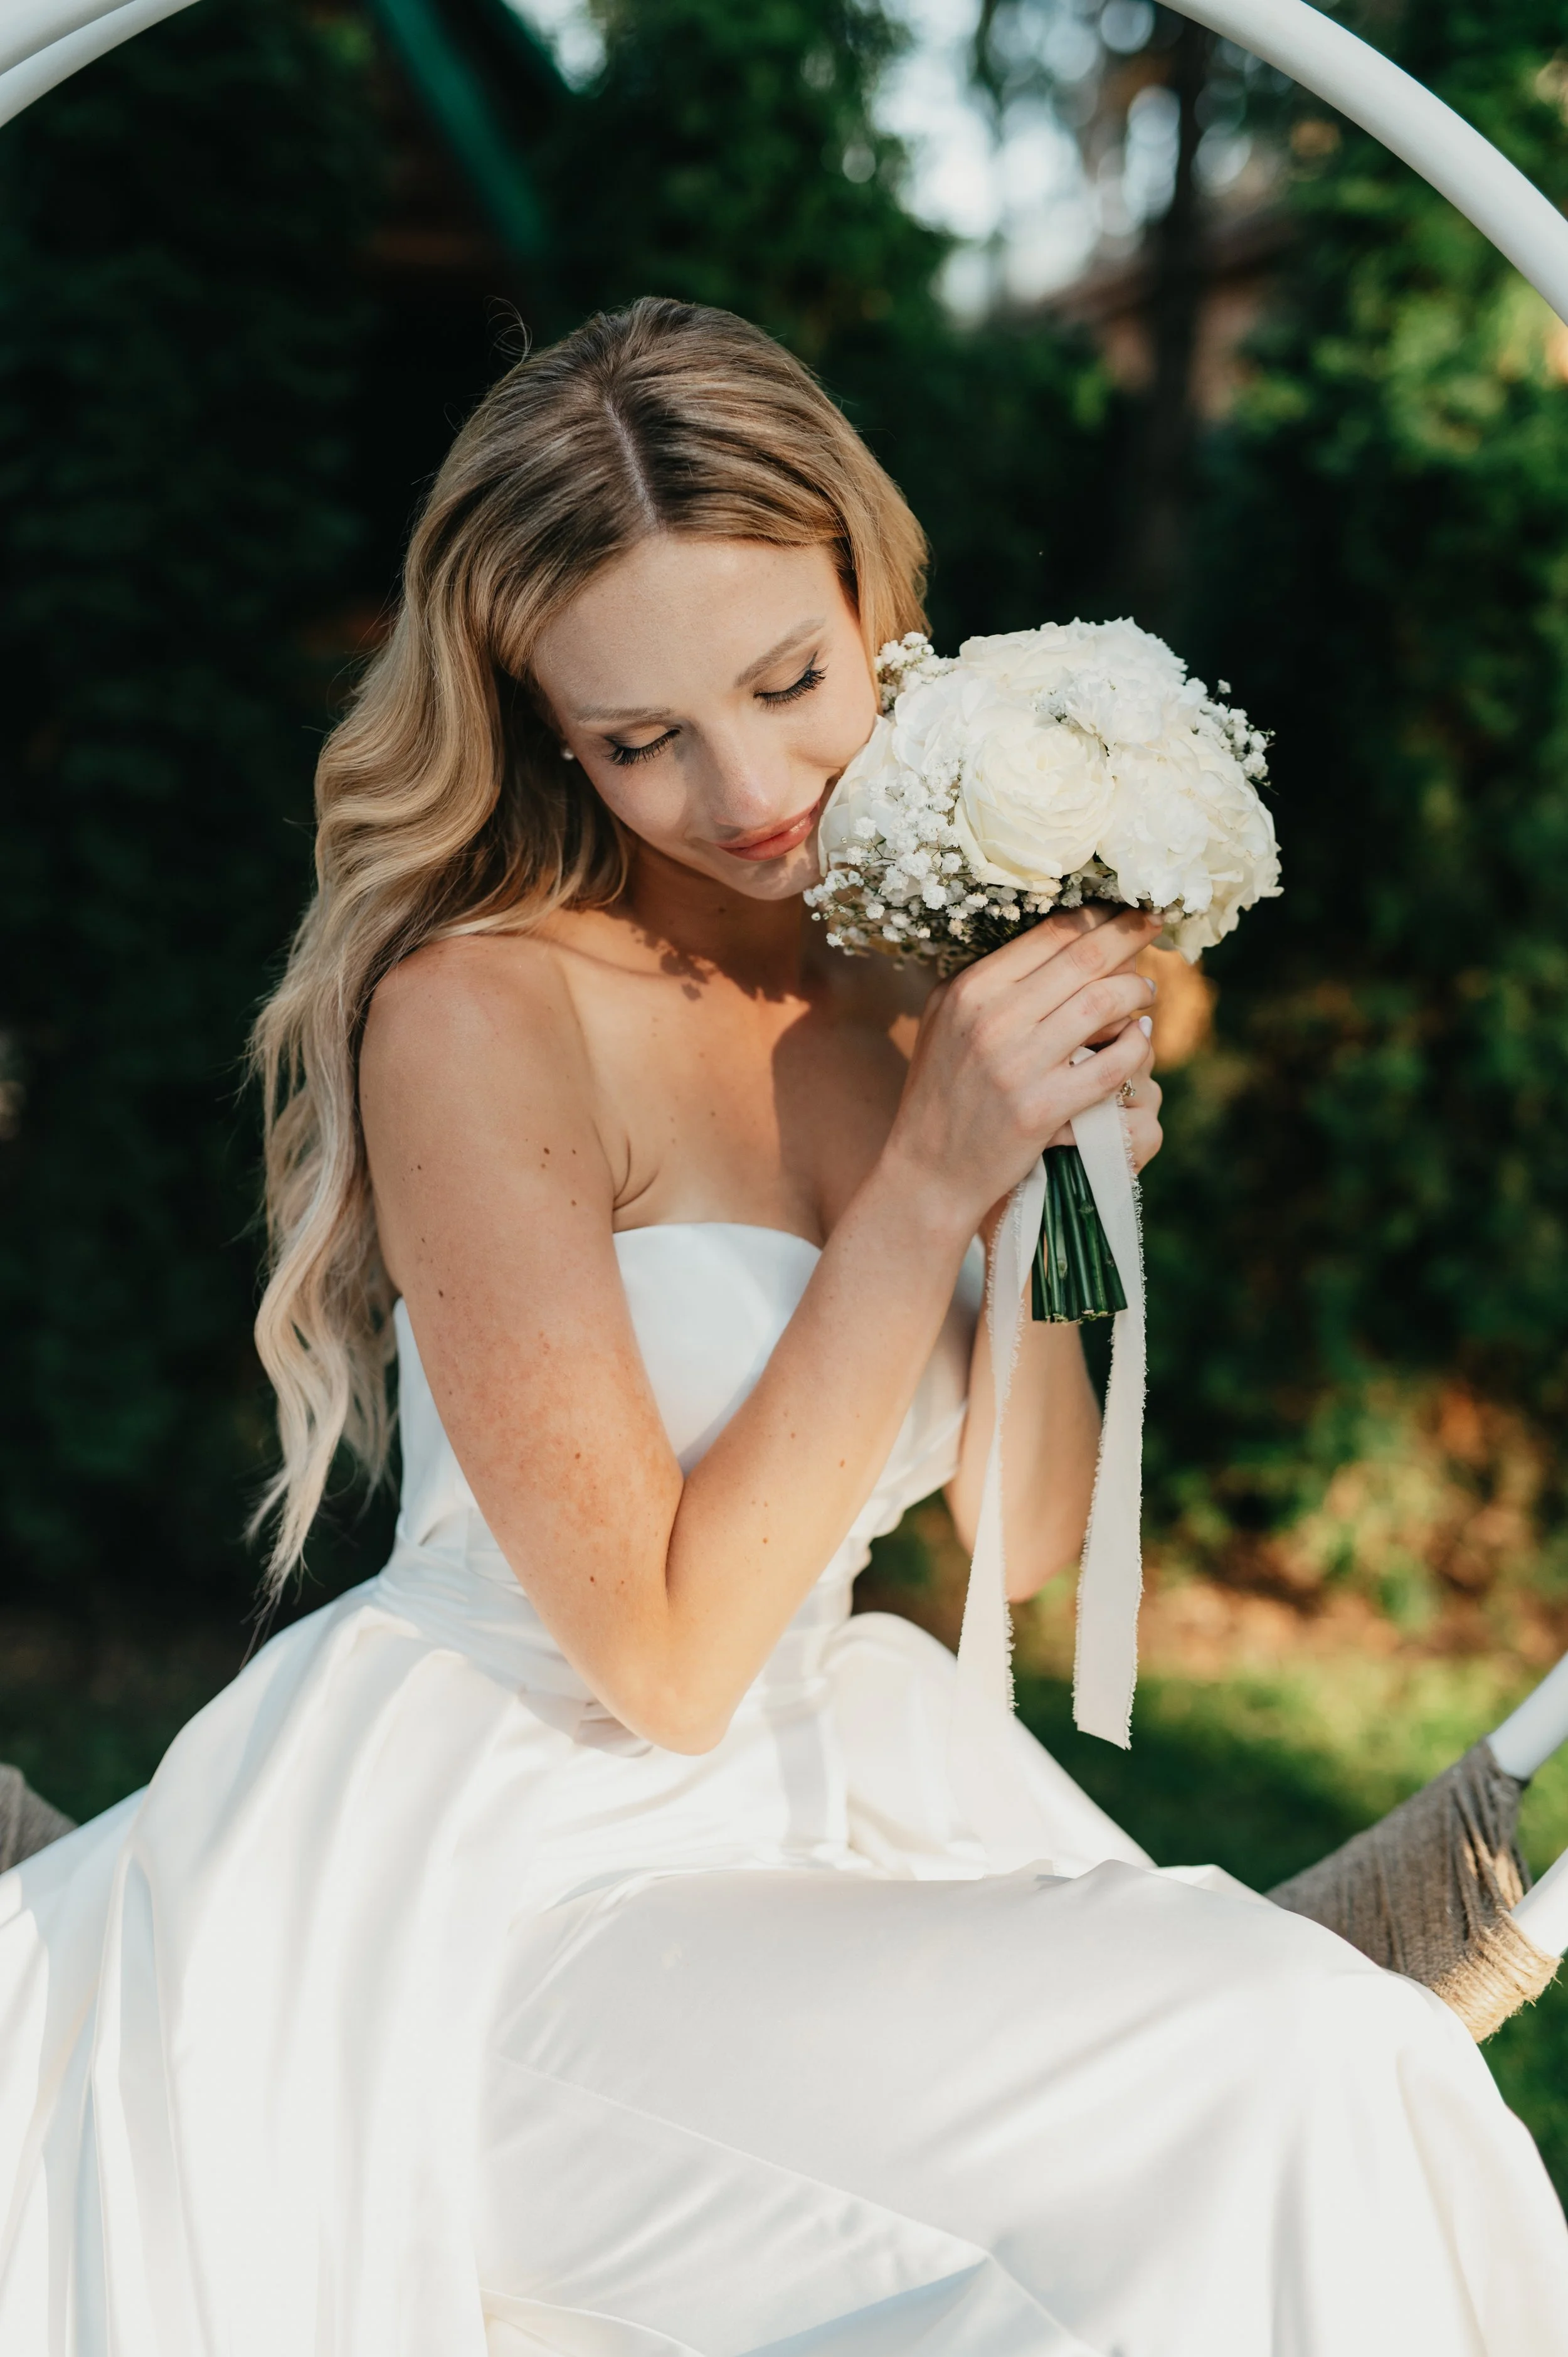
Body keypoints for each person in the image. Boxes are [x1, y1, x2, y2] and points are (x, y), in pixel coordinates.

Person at [1, 297, 1564, 2357]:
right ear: (541, 722)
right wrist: (923, 1180)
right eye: (638, 736)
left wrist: (1054, 1196)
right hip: (499, 1886)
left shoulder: (907, 992)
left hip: (836, 1801)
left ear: (872, 593)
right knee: (1259, 2056)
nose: (741, 787)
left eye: (784, 680)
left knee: (1330, 2056)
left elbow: (1027, 1528)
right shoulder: (481, 1015)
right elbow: (655, 1656)